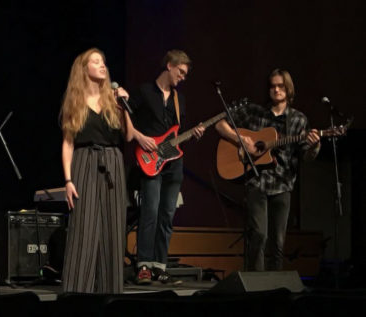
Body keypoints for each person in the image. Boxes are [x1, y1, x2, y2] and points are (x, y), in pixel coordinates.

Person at [215, 69, 321, 271]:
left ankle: (276, 287)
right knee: (258, 235)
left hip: (283, 182)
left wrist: (315, 145)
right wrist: (242, 140)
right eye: (273, 86)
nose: (276, 89)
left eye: (281, 86)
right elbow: (220, 125)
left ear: (288, 89)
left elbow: (306, 156)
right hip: (257, 181)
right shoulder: (255, 112)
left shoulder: (298, 120)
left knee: (278, 241)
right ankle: (256, 284)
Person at [60, 48, 137, 293]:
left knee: (113, 226)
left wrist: (123, 106)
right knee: (84, 225)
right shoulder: (76, 101)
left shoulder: (113, 100)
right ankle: (77, 289)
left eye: (103, 61)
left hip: (112, 161)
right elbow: (68, 143)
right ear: (85, 69)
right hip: (84, 161)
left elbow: (128, 135)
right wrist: (68, 179)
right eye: (96, 62)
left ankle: (110, 290)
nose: (102, 65)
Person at [129, 50, 205, 284]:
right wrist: (138, 136)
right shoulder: (143, 91)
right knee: (149, 211)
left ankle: (159, 266)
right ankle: (143, 265)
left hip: (174, 163)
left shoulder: (178, 99)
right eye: (180, 72)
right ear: (170, 65)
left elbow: (177, 132)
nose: (182, 77)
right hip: (150, 160)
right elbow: (123, 116)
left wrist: (195, 133)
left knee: (167, 215)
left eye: (185, 74)